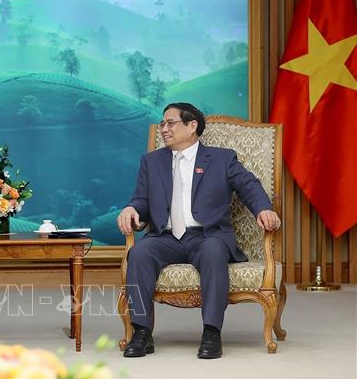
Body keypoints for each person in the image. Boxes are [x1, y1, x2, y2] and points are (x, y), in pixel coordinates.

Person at [117, 102, 280, 359]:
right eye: (162, 124)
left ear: (192, 126)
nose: (164, 129)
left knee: (213, 252)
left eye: (171, 123)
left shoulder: (221, 158)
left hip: (208, 235)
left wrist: (263, 209)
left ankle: (212, 333)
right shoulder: (152, 161)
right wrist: (131, 209)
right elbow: (142, 200)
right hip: (166, 237)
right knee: (138, 253)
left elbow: (249, 185)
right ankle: (141, 332)